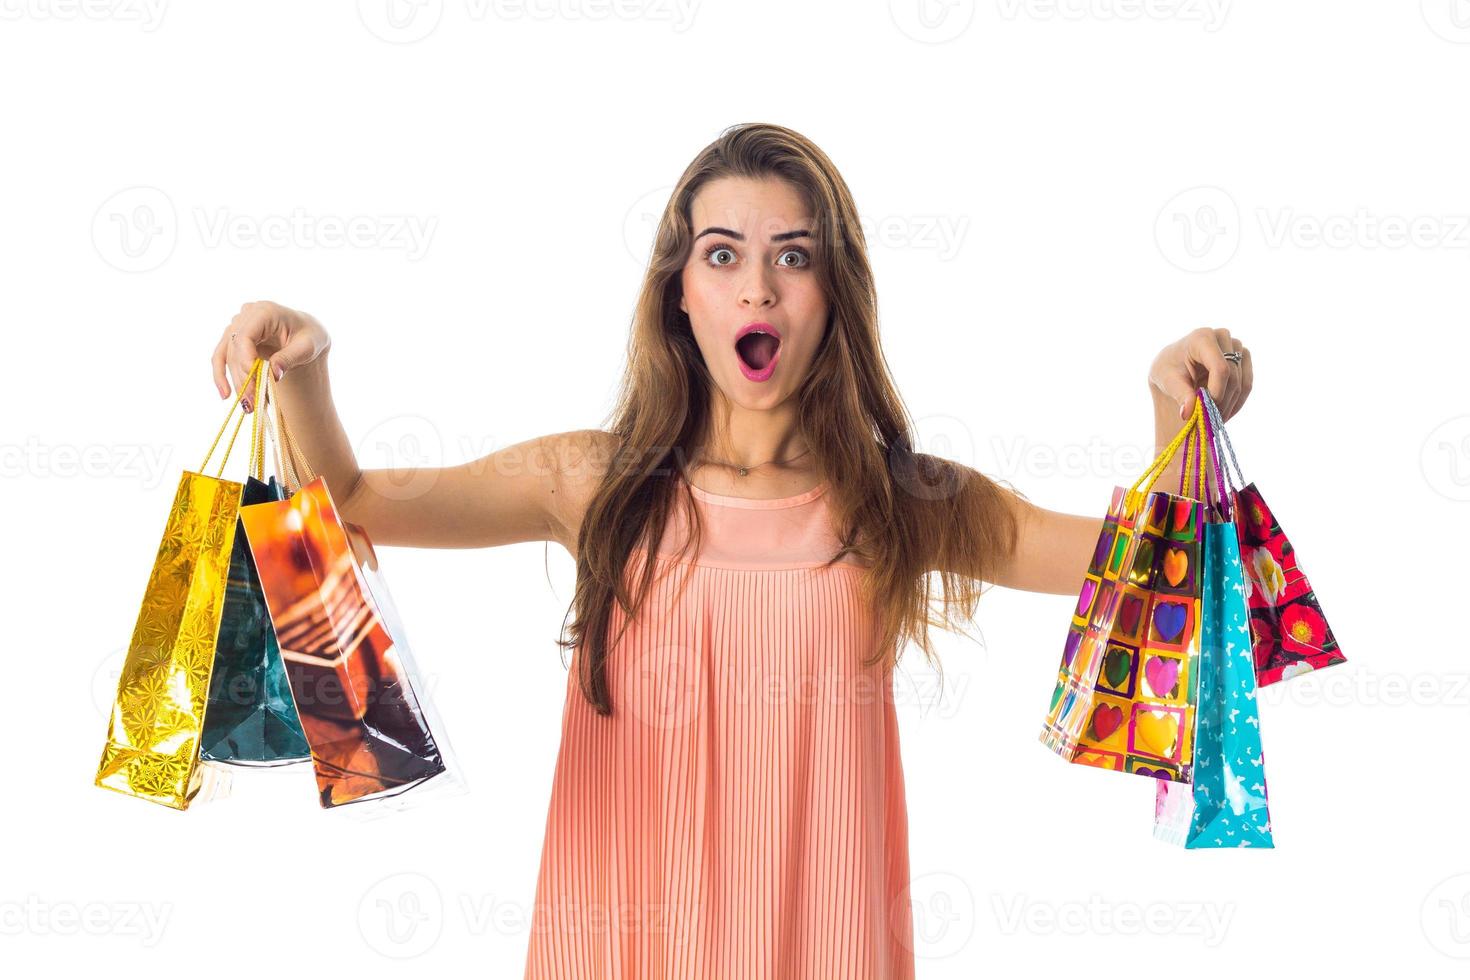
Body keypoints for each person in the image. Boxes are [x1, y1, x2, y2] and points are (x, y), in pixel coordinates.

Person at [209, 122, 1253, 979]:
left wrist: (1174, 407)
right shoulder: (595, 480)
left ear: (832, 292)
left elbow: (1143, 563)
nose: (758, 288)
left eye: (792, 257)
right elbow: (351, 498)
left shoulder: (903, 500)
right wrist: (307, 362)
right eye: (724, 254)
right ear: (682, 292)